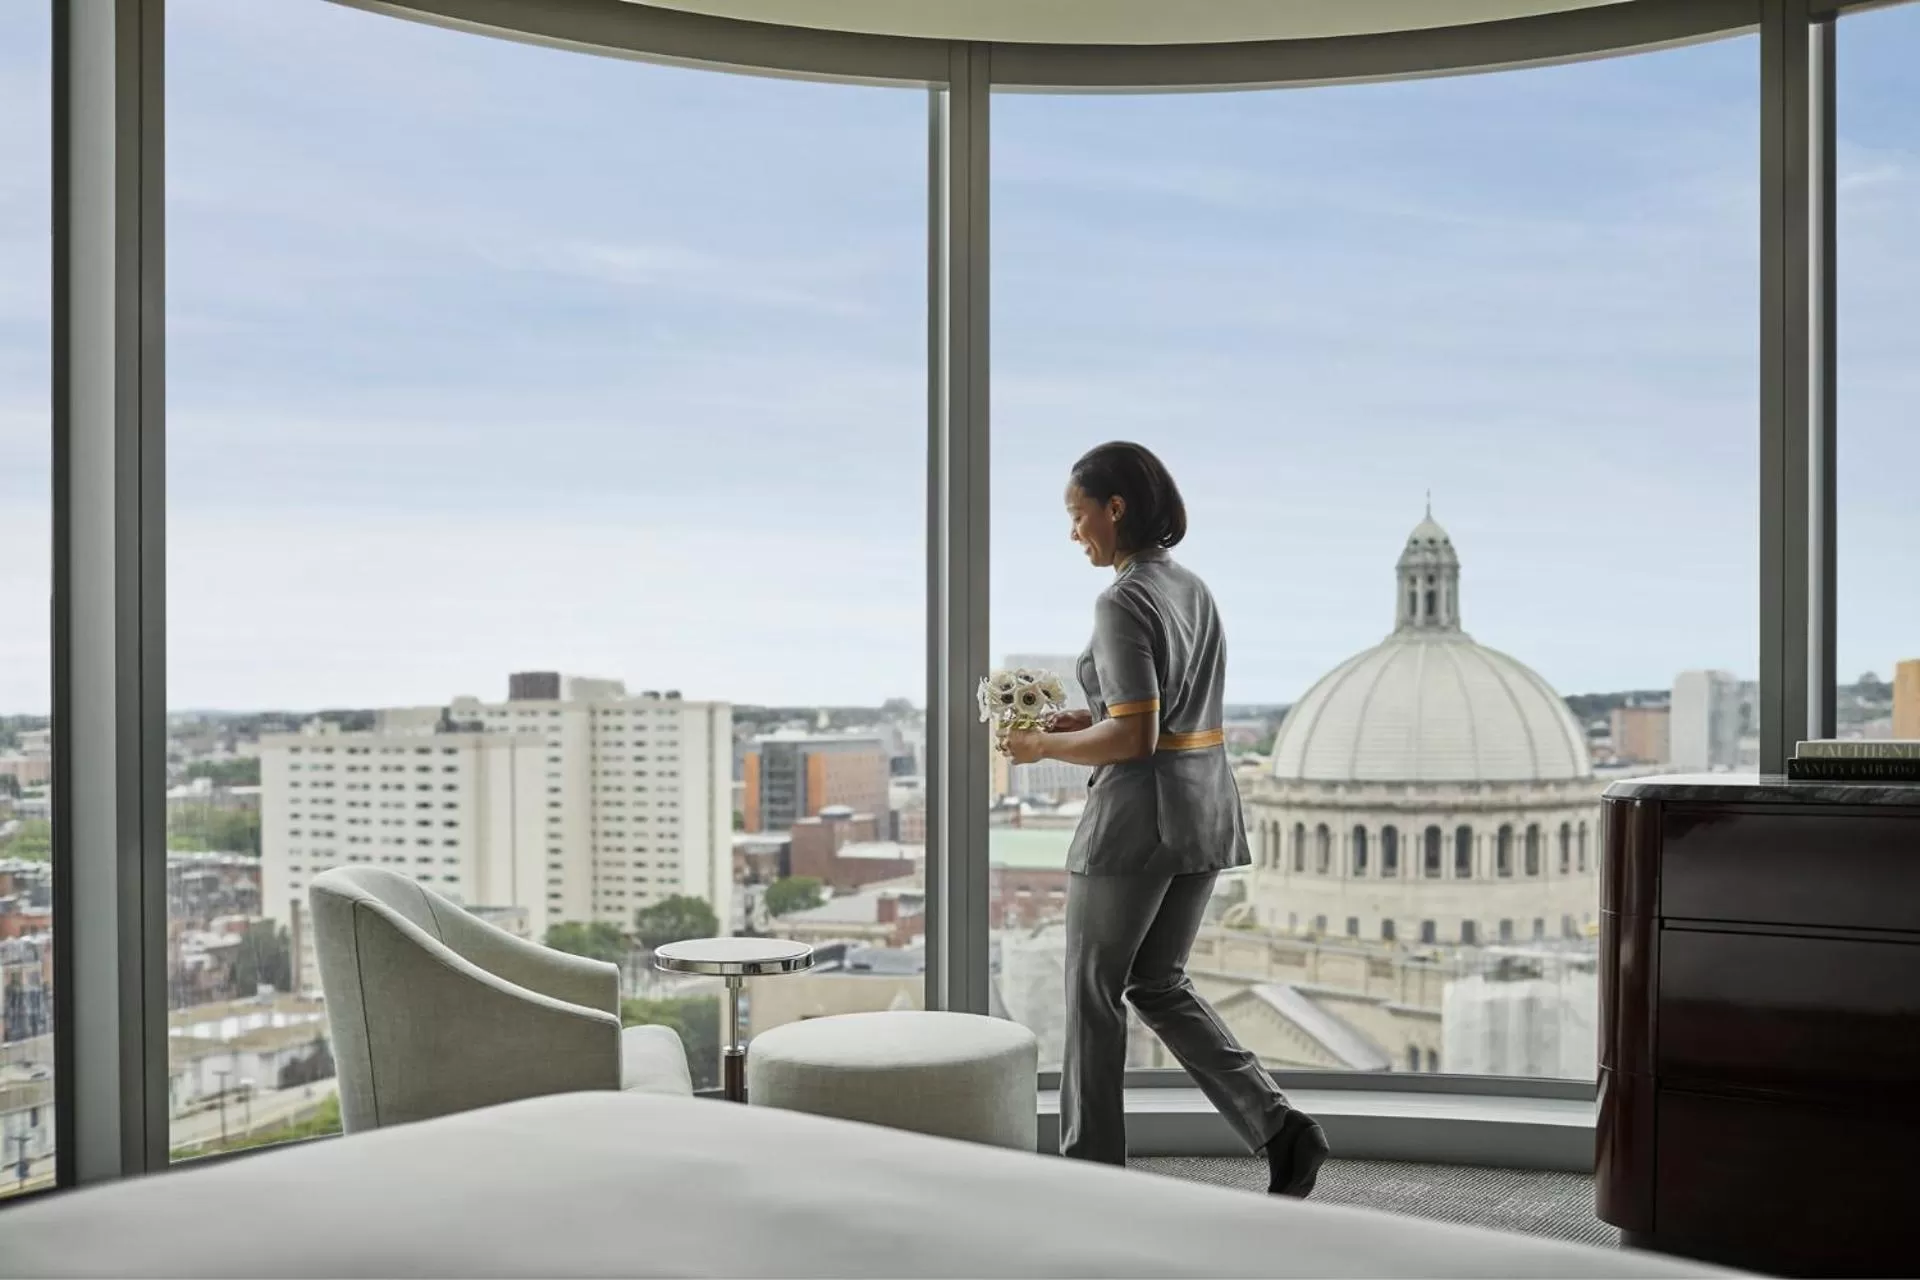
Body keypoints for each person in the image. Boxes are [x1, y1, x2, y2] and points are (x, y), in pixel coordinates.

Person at [1003, 440, 1330, 1197]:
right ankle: (1280, 1127)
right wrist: (1081, 719)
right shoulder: (1191, 588)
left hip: (1137, 821)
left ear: (1115, 508)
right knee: (1156, 981)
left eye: (1078, 514)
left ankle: (1091, 1174)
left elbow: (1134, 738)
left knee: (1093, 991)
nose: (1074, 532)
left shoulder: (1120, 600)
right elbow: (1159, 713)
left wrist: (1036, 747)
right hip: (1203, 811)